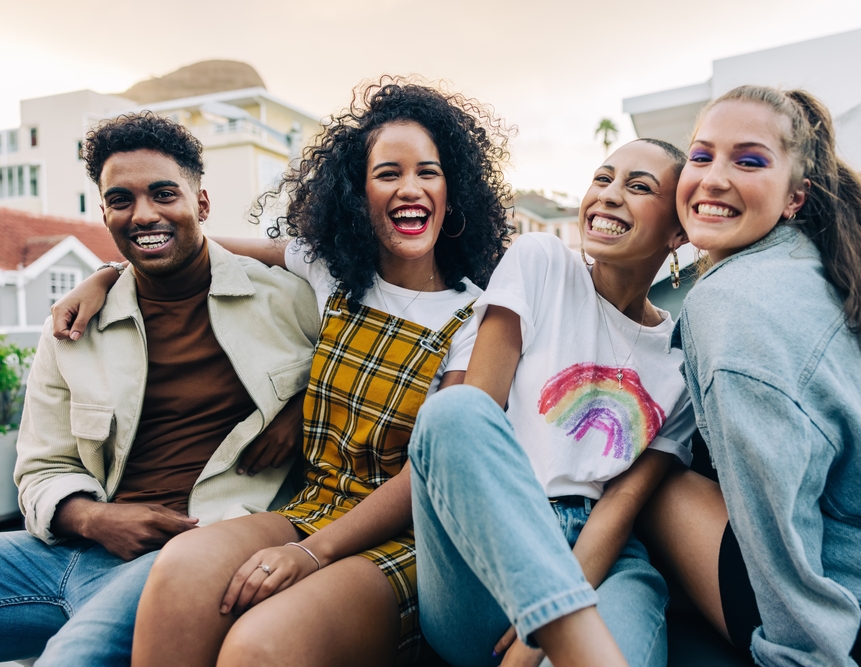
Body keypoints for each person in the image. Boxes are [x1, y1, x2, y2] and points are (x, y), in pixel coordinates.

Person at [57, 79, 513, 667]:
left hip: (414, 537)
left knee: (262, 647)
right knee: (181, 570)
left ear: (454, 191)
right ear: (357, 193)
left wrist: (316, 554)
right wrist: (104, 276)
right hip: (311, 507)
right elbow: (188, 245)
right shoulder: (332, 273)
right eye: (387, 173)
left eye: (428, 172)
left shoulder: (479, 318)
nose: (410, 188)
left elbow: (440, 468)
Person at [637, 85, 861, 667]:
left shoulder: (732, 301)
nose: (714, 178)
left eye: (749, 161)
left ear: (795, 196)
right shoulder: (828, 262)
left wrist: (802, 657)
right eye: (701, 157)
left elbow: (777, 514)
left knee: (649, 476)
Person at [0, 112, 320, 666]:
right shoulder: (73, 327)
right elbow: (39, 467)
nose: (144, 213)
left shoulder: (290, 301)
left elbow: (367, 380)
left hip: (192, 552)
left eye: (164, 193)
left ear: (201, 203)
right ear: (103, 211)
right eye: (121, 199)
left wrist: (305, 407)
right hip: (66, 550)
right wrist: (93, 518)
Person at [407, 137, 695, 667]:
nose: (608, 195)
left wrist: (537, 638)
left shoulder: (680, 362)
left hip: (599, 559)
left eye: (638, 186)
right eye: (602, 179)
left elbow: (620, 507)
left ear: (679, 230)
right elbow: (473, 425)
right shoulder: (540, 261)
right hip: (488, 538)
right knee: (451, 412)